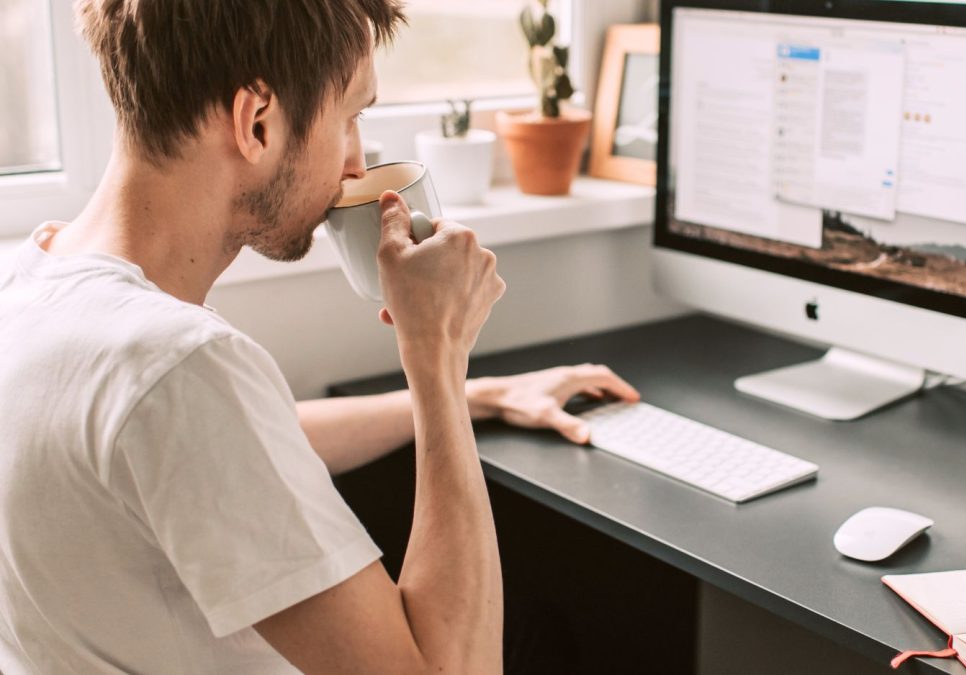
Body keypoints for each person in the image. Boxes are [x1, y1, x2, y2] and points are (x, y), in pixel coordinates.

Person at [0, 1, 640, 673]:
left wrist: (485, 394)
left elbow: (229, 450)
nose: (358, 164)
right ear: (257, 122)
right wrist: (437, 358)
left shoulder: (38, 283)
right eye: (351, 118)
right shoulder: (181, 367)